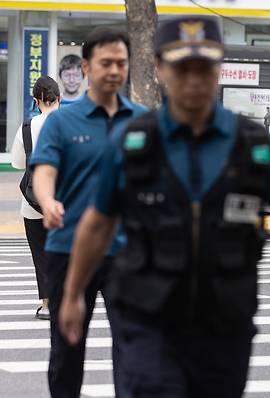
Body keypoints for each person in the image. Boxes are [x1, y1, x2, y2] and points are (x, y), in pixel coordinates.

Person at [57, 17, 270, 397]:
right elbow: (96, 224)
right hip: (148, 318)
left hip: (224, 321)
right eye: (182, 66)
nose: (194, 78)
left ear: (219, 70)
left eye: (204, 67)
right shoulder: (133, 142)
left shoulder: (249, 142)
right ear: (159, 70)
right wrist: (74, 293)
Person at [30, 27, 146, 397]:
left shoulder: (144, 121)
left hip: (127, 252)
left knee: (132, 348)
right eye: (105, 63)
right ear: (86, 66)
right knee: (66, 348)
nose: (114, 70)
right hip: (68, 248)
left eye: (121, 63)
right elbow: (44, 171)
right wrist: (48, 202)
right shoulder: (61, 121)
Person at [10, 76, 60, 320]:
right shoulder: (71, 123)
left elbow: (18, 163)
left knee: (41, 254)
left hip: (33, 205)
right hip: (66, 202)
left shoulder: (27, 127)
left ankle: (48, 304)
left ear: (35, 100)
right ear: (59, 98)